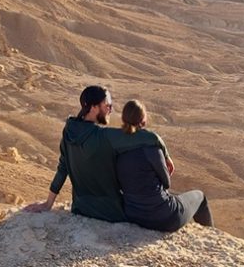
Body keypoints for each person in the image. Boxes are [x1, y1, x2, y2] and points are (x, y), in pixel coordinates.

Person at [24, 85, 173, 222]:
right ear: (94, 107)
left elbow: (63, 168)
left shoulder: (68, 131)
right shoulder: (103, 136)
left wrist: (48, 203)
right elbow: (150, 137)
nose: (110, 110)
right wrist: (166, 156)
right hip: (110, 212)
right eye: (108, 105)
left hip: (81, 208)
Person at [115, 99, 214, 231]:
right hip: (164, 218)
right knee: (200, 197)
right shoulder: (151, 148)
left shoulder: (117, 149)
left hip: (134, 215)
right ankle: (212, 234)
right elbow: (166, 183)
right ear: (143, 121)